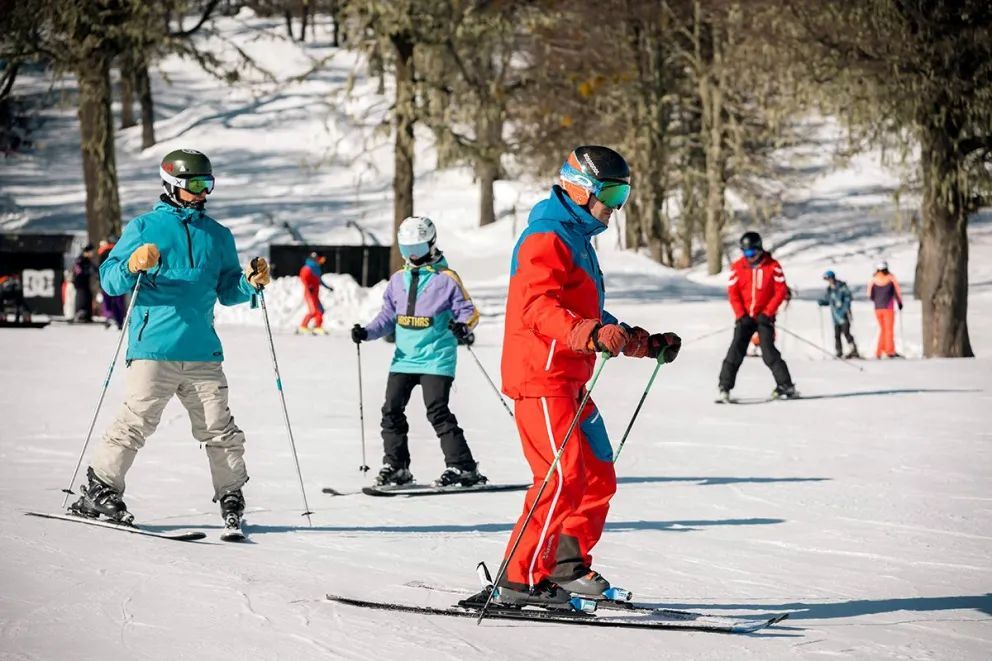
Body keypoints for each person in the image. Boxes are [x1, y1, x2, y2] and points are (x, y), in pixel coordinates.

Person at [493, 146, 681, 608]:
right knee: (559, 477)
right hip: (541, 376)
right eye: (611, 192)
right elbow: (537, 308)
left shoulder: (577, 241)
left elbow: (591, 314)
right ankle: (519, 582)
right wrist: (588, 333)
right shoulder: (547, 237)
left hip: (570, 379)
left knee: (596, 475)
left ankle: (564, 568)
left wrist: (642, 342)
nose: (615, 206)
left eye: (624, 194)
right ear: (579, 188)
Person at [69, 148, 270, 532]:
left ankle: (231, 492)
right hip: (153, 347)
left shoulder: (219, 236)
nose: (203, 192)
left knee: (219, 426)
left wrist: (249, 283)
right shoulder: (145, 228)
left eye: (208, 183)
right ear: (174, 184)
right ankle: (100, 487)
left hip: (201, 349)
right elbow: (110, 280)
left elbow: (227, 289)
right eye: (196, 184)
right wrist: (131, 263)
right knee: (136, 421)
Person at [351, 215, 486, 488]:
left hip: (437, 358)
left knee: (437, 411)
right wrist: (366, 332)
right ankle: (397, 466)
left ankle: (463, 468)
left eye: (418, 250)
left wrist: (462, 327)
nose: (413, 256)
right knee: (391, 410)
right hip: (404, 358)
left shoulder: (446, 279)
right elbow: (387, 317)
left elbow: (469, 312)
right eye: (407, 250)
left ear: (432, 245)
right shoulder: (397, 280)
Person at [718, 231, 797, 401]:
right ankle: (724, 387)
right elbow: (733, 293)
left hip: (764, 317)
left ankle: (786, 385)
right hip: (745, 317)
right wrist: (740, 314)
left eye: (751, 253)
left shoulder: (773, 266)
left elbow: (781, 291)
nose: (749, 257)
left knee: (769, 353)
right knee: (735, 351)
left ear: (759, 249)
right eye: (745, 253)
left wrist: (768, 313)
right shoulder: (738, 267)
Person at [818, 270, 859, 358]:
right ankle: (839, 351)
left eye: (829, 278)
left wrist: (845, 309)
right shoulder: (829, 289)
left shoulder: (842, 287)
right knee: (837, 335)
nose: (828, 281)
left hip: (844, 315)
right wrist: (822, 302)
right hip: (835, 317)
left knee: (846, 333)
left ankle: (853, 349)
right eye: (827, 279)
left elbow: (848, 298)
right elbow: (829, 300)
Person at [868, 260, 903, 358]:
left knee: (882, 329)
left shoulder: (873, 279)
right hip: (888, 307)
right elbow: (897, 291)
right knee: (888, 330)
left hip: (877, 308)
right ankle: (890, 351)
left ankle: (879, 351)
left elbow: (870, 295)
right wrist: (899, 303)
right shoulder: (891, 278)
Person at [298, 251, 334, 335]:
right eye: (321, 259)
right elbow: (303, 278)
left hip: (315, 294)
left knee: (320, 310)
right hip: (309, 293)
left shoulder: (316, 268)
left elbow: (319, 280)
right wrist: (309, 287)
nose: (322, 262)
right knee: (313, 311)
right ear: (316, 258)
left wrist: (328, 287)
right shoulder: (308, 267)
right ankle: (303, 326)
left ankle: (318, 327)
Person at [98, 237, 126, 330]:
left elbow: (101, 268)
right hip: (118, 281)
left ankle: (108, 317)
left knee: (107, 301)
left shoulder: (102, 252)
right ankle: (119, 321)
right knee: (119, 302)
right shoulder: (120, 251)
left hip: (106, 281)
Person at [72, 244, 96, 322]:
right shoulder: (80, 260)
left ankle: (87, 315)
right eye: (91, 251)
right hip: (80, 285)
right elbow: (78, 272)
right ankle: (81, 315)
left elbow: (94, 270)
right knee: (82, 299)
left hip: (86, 284)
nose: (92, 253)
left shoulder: (88, 261)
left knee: (88, 298)